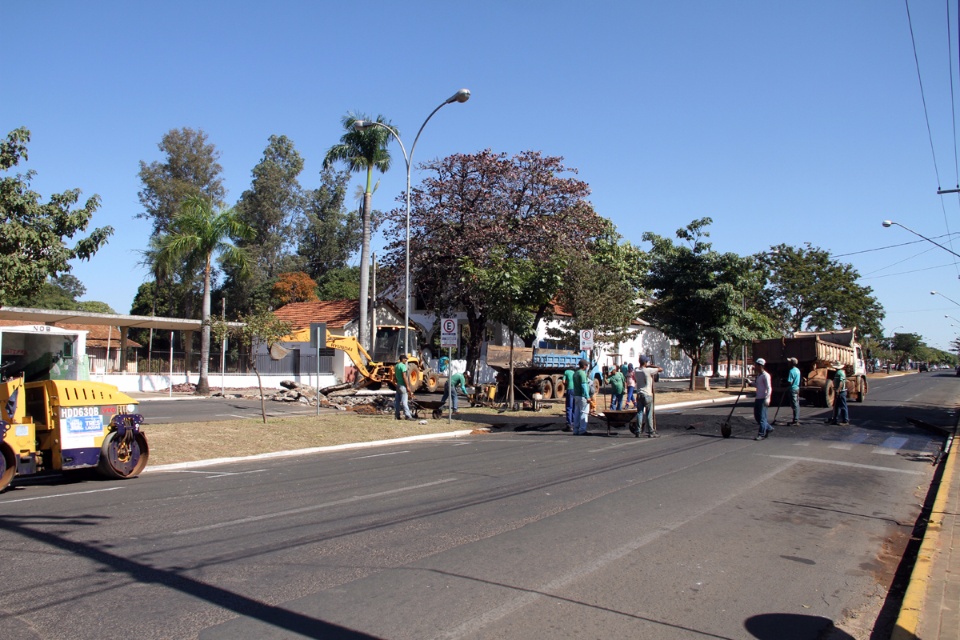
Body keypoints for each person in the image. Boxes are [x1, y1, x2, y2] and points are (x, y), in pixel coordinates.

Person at [635, 356, 664, 437]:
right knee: (649, 414)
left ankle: (638, 431)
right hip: (647, 394)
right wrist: (652, 366)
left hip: (639, 394)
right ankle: (651, 432)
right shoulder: (648, 370)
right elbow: (660, 369)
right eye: (646, 362)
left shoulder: (636, 370)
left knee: (640, 413)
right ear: (645, 362)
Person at [572, 358, 593, 435]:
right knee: (584, 413)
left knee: (577, 413)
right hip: (582, 396)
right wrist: (587, 396)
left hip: (576, 395)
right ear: (584, 366)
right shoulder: (582, 374)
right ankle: (582, 430)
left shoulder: (575, 373)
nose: (587, 366)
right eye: (586, 365)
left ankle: (576, 429)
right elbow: (583, 385)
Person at [753, 358, 773, 440]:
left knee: (762, 418)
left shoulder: (766, 375)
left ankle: (761, 434)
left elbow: (769, 388)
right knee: (757, 416)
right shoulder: (759, 375)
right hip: (758, 398)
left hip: (763, 398)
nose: (755, 367)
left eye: (756, 365)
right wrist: (750, 383)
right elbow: (758, 385)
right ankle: (768, 428)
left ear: (760, 365)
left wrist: (767, 398)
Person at [826, 361, 849, 425]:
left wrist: (838, 390)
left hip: (841, 392)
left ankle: (845, 420)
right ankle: (835, 419)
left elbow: (841, 382)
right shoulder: (838, 373)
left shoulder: (840, 373)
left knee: (843, 406)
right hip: (839, 391)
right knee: (837, 406)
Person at [394, 354, 414, 421]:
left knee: (397, 401)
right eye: (405, 359)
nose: (406, 360)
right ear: (402, 359)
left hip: (398, 385)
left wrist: (397, 382)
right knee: (404, 401)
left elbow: (395, 376)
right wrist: (407, 386)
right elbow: (404, 376)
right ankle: (408, 415)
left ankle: (397, 415)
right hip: (402, 385)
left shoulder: (396, 366)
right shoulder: (403, 366)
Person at [786, 357, 801, 425]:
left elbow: (790, 382)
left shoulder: (791, 371)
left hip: (792, 389)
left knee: (794, 405)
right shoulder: (798, 370)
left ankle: (796, 420)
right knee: (796, 404)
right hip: (797, 388)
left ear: (791, 363)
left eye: (789, 362)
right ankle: (796, 419)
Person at [562, 366, 575, 431]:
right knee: (574, 407)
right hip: (576, 390)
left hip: (570, 389)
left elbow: (563, 381)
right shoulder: (575, 372)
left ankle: (569, 424)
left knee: (569, 407)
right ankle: (574, 423)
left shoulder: (566, 372)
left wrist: (566, 385)